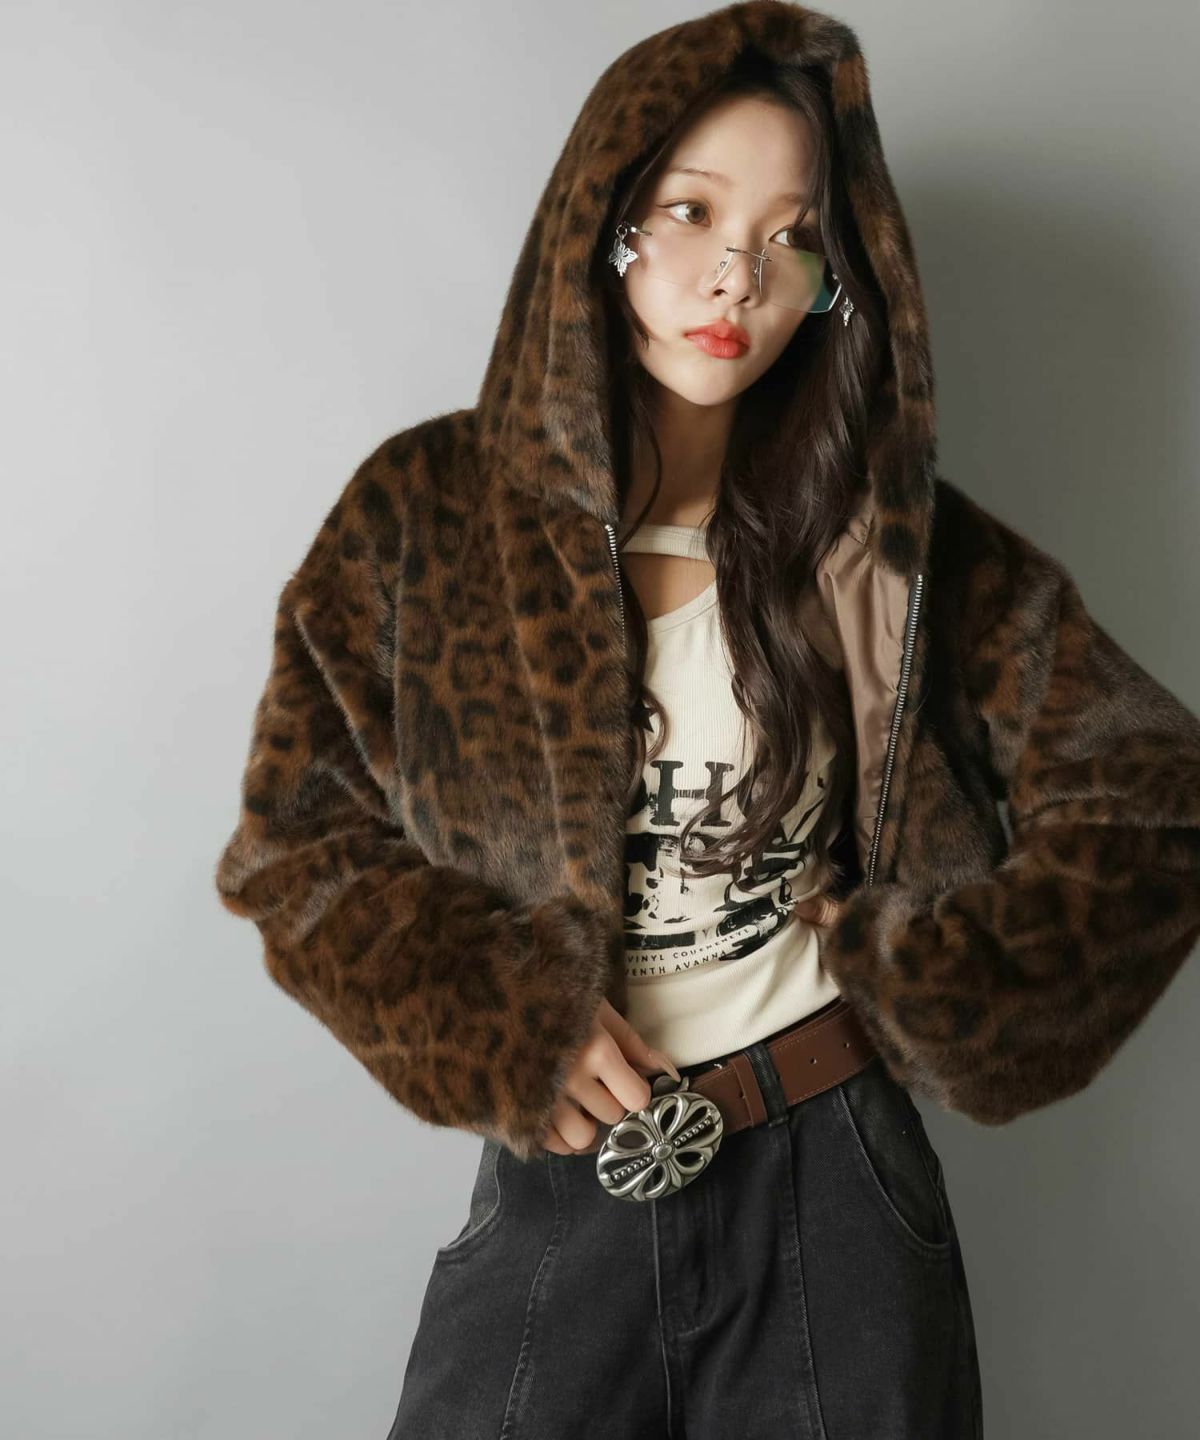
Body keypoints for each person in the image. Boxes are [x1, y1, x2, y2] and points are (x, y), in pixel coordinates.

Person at [212, 4, 1200, 1436]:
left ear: (835, 282)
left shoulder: (885, 549)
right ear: (602, 225)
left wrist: (948, 988)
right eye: (691, 211)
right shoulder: (424, 521)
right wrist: (500, 1017)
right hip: (561, 1188)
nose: (739, 273)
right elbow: (294, 849)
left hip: (833, 1183)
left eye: (793, 236)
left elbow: (1153, 792)